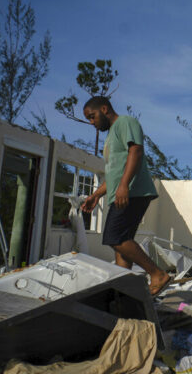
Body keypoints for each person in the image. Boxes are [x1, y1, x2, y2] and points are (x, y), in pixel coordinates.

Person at [81, 96, 171, 296]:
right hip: (122, 193)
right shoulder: (111, 135)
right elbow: (115, 172)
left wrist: (124, 186)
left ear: (104, 109)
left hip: (133, 192)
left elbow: (136, 151)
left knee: (115, 237)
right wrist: (96, 194)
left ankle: (157, 274)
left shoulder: (125, 123)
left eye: (92, 116)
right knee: (122, 245)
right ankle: (124, 290)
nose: (91, 122)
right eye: (89, 119)